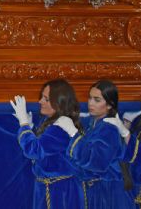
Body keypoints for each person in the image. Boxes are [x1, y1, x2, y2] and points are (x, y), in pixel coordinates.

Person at [11, 79, 84, 209]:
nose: (40, 102)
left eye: (46, 99)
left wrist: (24, 124)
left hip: (59, 192)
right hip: (51, 188)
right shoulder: (51, 122)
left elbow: (33, 150)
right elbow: (46, 145)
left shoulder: (60, 126)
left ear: (59, 103)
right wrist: (31, 127)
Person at [65, 80, 133, 208]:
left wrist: (74, 135)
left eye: (97, 100)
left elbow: (96, 163)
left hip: (107, 193)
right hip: (98, 189)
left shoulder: (109, 128)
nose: (90, 103)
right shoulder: (93, 123)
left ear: (109, 105)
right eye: (90, 98)